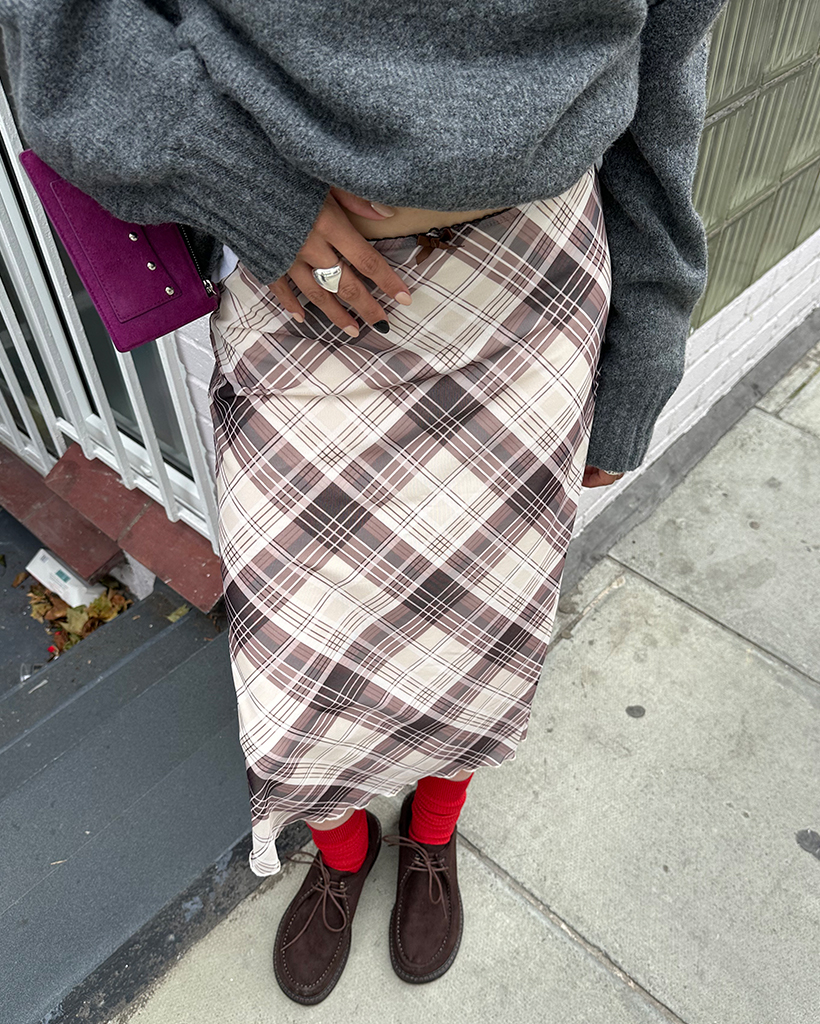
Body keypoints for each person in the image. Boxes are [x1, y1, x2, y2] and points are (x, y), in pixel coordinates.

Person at [0, 0, 728, 1006]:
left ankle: (432, 834)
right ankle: (341, 851)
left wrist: (648, 331)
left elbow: (671, 43)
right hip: (298, 291)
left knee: (485, 629)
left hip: (534, 287)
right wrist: (242, 186)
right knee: (300, 666)